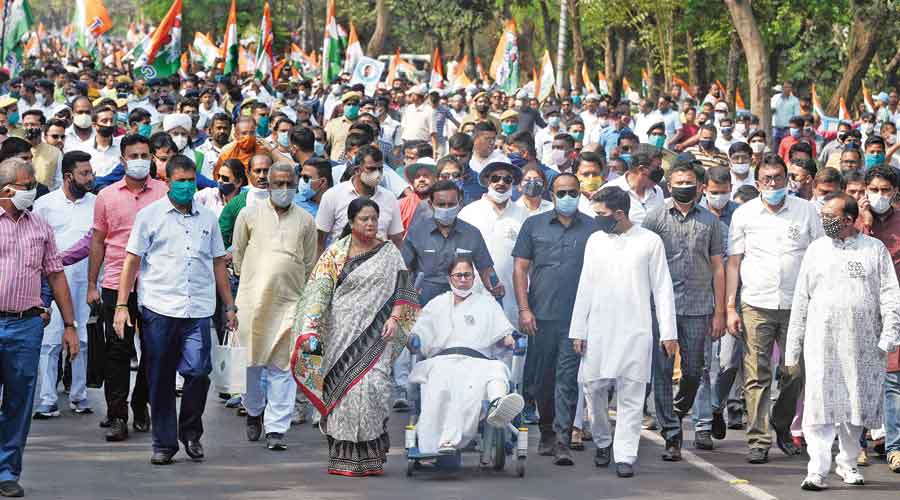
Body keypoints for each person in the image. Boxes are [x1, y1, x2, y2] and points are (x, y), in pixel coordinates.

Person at [113, 154, 238, 465]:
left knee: (198, 372)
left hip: (198, 309)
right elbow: (132, 261)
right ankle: (164, 443)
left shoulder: (208, 218)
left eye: (190, 180)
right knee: (161, 377)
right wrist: (121, 305)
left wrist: (230, 306)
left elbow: (218, 263)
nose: (185, 186)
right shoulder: (150, 216)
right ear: (166, 182)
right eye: (179, 181)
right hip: (159, 308)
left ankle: (191, 433)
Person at [291, 198, 419, 476]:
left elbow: (404, 290)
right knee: (345, 393)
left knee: (373, 389)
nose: (371, 224)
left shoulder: (389, 252)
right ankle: (343, 458)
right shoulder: (335, 254)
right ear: (351, 222)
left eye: (374, 218)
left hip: (378, 334)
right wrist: (311, 326)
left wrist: (395, 318)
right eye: (364, 219)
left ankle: (371, 458)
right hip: (341, 333)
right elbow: (318, 292)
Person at [786, 192, 900, 490]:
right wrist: (792, 349)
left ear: (849, 220)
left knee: (855, 407)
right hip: (821, 343)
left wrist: (890, 335)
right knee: (818, 406)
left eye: (829, 217)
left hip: (863, 346)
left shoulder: (874, 250)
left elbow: (890, 295)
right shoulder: (815, 250)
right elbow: (801, 299)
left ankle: (848, 464)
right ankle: (817, 470)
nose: (824, 221)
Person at [571, 186, 677, 478]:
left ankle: (625, 454)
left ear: (619, 214)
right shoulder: (595, 241)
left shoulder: (649, 241)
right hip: (599, 328)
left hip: (636, 329)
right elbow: (585, 285)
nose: (597, 219)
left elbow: (663, 288)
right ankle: (603, 440)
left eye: (602, 214)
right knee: (593, 388)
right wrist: (577, 329)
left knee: (631, 394)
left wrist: (668, 333)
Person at [726, 153, 823, 464]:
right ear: (758, 183)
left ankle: (781, 424)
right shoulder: (744, 214)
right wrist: (730, 306)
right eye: (767, 179)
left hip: (798, 304)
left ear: (787, 180)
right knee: (756, 374)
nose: (773, 184)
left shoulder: (807, 212)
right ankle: (758, 440)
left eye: (778, 178)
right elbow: (734, 262)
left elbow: (821, 254)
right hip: (756, 303)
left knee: (796, 372)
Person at [0, 158, 80, 498]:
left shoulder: (40, 226)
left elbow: (56, 274)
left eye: (33, 183)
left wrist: (70, 325)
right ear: (6, 189)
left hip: (26, 326)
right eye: (26, 183)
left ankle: (6, 471)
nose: (32, 188)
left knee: (19, 403)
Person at [513, 173, 598, 465]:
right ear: (551, 194)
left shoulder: (593, 229)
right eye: (561, 193)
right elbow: (520, 269)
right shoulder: (533, 225)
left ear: (580, 194)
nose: (567, 197)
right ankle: (547, 430)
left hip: (577, 320)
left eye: (572, 192)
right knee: (542, 379)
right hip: (541, 316)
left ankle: (563, 439)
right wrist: (524, 310)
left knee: (567, 379)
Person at [643, 158, 726, 458]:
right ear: (668, 185)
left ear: (700, 186)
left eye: (689, 182)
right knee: (663, 372)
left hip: (699, 306)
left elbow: (718, 267)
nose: (683, 188)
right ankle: (672, 436)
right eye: (677, 183)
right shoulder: (654, 219)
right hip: (661, 308)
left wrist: (720, 312)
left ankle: (677, 410)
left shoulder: (711, 222)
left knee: (694, 371)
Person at [232, 163, 317, 451]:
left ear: (295, 185)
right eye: (277, 184)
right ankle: (254, 411)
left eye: (288, 184)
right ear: (268, 185)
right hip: (252, 300)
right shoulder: (249, 214)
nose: (283, 189)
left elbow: (309, 263)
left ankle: (277, 428)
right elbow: (239, 254)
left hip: (289, 303)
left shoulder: (306, 220)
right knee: (251, 364)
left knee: (283, 367)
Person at [88, 134, 165, 441]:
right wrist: (91, 284)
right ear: (122, 160)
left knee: (155, 349)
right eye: (134, 155)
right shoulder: (106, 196)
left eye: (145, 155)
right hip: (115, 284)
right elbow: (97, 241)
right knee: (117, 350)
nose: (140, 160)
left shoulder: (164, 192)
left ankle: (141, 402)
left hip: (155, 283)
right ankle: (117, 414)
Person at [408, 255, 524, 454]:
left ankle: (497, 406)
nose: (463, 279)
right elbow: (420, 334)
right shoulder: (437, 304)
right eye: (458, 275)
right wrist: (414, 341)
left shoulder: (487, 304)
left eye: (467, 275)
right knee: (442, 385)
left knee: (497, 369)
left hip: (478, 361)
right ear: (449, 278)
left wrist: (512, 340)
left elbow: (503, 334)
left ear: (473, 278)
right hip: (443, 361)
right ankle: (444, 442)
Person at [32, 151, 96, 419]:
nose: (90, 178)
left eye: (91, 172)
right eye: (85, 173)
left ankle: (79, 395)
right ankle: (47, 399)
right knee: (49, 341)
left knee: (81, 338)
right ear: (68, 176)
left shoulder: (97, 203)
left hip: (84, 282)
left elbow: (96, 242)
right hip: (51, 283)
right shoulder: (45, 205)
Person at [858, 166, 900, 473]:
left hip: (894, 311)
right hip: (859, 309)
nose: (880, 196)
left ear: (896, 193)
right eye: (874, 189)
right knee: (858, 377)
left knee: (892, 379)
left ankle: (894, 447)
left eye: (886, 190)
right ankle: (855, 444)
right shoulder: (851, 222)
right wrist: (866, 225)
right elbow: (849, 257)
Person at [402, 180, 496, 306]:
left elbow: (486, 270)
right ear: (430, 205)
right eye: (441, 204)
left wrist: (495, 287)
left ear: (459, 204)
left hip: (462, 305)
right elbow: (404, 272)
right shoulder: (416, 232)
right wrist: (402, 306)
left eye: (451, 204)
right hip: (421, 304)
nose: (446, 209)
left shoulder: (472, 234)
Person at [459, 161, 527, 326]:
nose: (501, 183)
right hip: (472, 295)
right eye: (496, 178)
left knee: (509, 348)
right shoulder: (468, 213)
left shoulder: (524, 216)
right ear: (487, 181)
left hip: (512, 299)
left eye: (507, 179)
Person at [315, 145, 404, 256]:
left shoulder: (389, 198)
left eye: (380, 169)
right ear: (357, 170)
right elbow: (319, 241)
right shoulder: (333, 196)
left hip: (379, 267)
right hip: (342, 266)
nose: (377, 174)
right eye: (371, 169)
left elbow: (396, 240)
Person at [601, 151, 665, 224]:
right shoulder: (609, 191)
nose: (660, 171)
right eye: (657, 167)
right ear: (641, 169)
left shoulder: (657, 191)